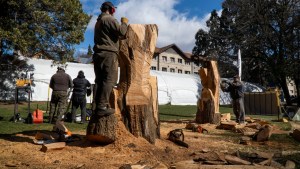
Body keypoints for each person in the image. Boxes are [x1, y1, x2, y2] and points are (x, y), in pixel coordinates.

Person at [93, 1, 128, 116]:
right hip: (109, 53)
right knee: (110, 80)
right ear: (112, 9)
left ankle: (97, 105)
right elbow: (122, 32)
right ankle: (102, 106)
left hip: (99, 53)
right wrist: (124, 23)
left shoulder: (98, 21)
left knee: (100, 80)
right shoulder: (109, 19)